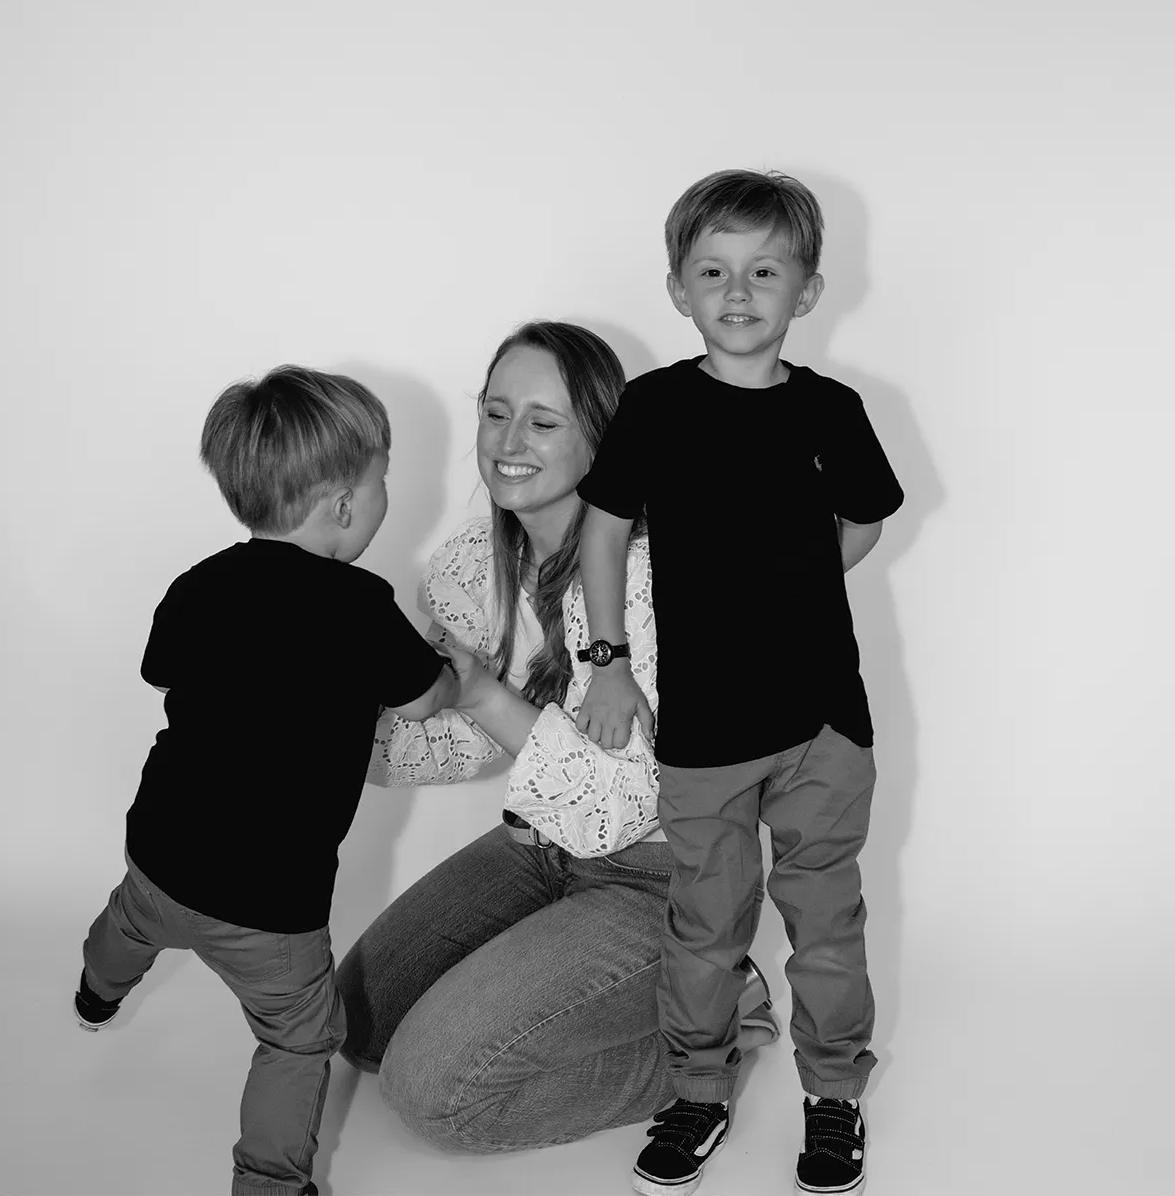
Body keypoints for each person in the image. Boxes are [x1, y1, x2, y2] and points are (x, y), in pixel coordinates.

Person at [336, 320, 777, 1154]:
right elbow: (453, 742)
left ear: (603, 443)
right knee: (354, 1026)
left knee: (435, 1097)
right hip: (536, 847)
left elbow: (613, 811)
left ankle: (710, 1030)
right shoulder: (476, 566)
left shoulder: (651, 581)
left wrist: (476, 688)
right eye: (495, 413)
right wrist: (318, 715)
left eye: (543, 421)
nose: (508, 442)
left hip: (661, 878)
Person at [575, 171, 904, 1196]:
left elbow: (861, 520)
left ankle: (833, 1094)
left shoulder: (830, 411)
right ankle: (697, 1094)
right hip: (705, 737)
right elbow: (601, 530)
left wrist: (790, 586)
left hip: (820, 728)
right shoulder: (652, 408)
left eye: (763, 270)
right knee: (703, 928)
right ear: (676, 287)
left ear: (805, 291)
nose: (736, 291)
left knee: (825, 926)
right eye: (711, 270)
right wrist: (607, 660)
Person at [74, 367, 458, 1196]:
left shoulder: (199, 582)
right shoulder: (361, 606)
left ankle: (95, 993)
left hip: (161, 854)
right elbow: (424, 700)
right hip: (267, 905)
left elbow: (158, 669)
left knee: (130, 923)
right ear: (343, 505)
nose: (387, 496)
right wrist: (455, 671)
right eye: (382, 480)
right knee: (297, 1039)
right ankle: (271, 1183)